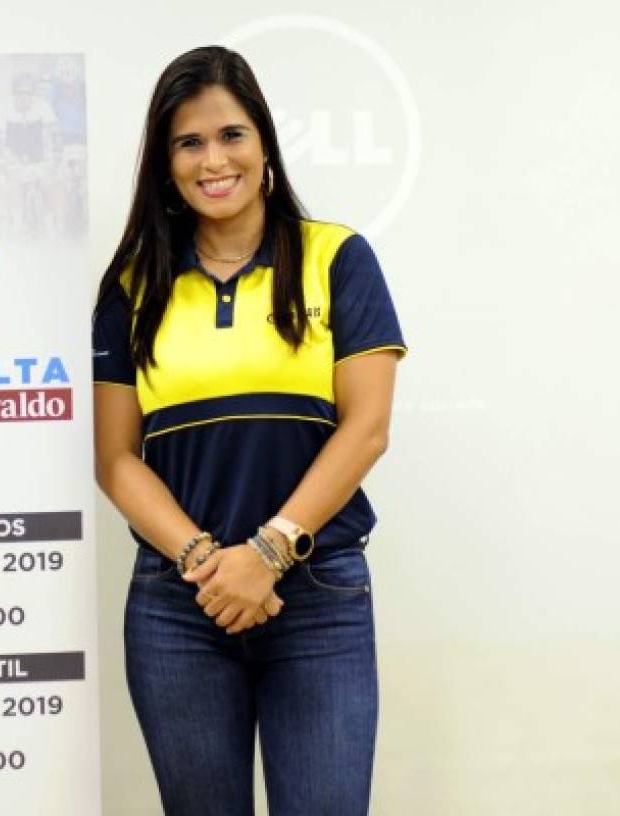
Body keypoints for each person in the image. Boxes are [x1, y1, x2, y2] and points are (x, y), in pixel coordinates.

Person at [92, 45, 406, 816]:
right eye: (189, 143)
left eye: (231, 135)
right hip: (180, 606)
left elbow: (366, 428)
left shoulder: (336, 258)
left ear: (265, 142)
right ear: (164, 163)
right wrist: (208, 563)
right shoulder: (132, 285)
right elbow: (116, 459)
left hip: (318, 597)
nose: (213, 160)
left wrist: (268, 552)